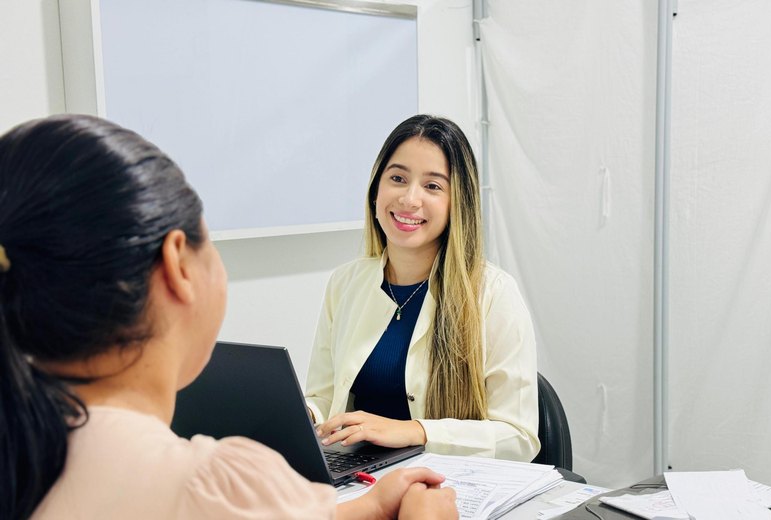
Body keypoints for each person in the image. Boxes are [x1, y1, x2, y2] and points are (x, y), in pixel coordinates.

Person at [0, 114, 457, 520]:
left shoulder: (20, 455)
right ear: (179, 264)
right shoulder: (216, 485)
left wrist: (369, 507)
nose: (410, 199)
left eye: (433, 185)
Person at [305, 115, 540, 462]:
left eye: (432, 186)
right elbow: (326, 398)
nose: (409, 199)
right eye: (397, 178)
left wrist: (416, 431)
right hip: (362, 479)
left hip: (448, 489)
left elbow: (518, 438)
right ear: (376, 190)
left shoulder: (494, 294)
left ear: (457, 202)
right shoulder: (344, 283)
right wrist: (304, 416)